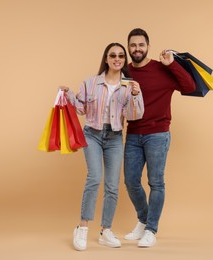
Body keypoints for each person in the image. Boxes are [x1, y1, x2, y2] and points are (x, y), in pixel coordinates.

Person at [64, 42, 144, 251]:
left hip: (115, 137)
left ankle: (105, 230)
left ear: (124, 60)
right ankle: (81, 228)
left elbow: (135, 116)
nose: (117, 59)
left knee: (112, 185)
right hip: (92, 134)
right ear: (106, 59)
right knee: (94, 178)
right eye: (113, 55)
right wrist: (69, 95)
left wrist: (136, 95)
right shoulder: (90, 83)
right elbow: (80, 109)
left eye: (120, 56)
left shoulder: (129, 86)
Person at [123, 28, 196, 247]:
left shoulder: (161, 68)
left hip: (158, 134)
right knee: (131, 181)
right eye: (133, 45)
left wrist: (172, 64)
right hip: (133, 134)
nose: (137, 49)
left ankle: (151, 230)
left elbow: (190, 87)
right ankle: (144, 220)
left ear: (148, 46)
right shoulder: (125, 71)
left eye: (141, 45)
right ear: (128, 48)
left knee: (156, 182)